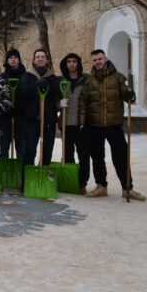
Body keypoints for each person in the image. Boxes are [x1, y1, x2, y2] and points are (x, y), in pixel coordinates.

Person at [80, 49, 145, 200]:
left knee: (121, 156)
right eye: (95, 60)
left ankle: (127, 188)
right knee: (97, 157)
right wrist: (83, 123)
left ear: (105, 59)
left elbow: (128, 95)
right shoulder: (89, 81)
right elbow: (83, 103)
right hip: (94, 125)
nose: (98, 62)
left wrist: (130, 95)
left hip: (113, 124)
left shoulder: (118, 77)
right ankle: (101, 186)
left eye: (100, 59)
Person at [19, 49, 59, 169]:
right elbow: (23, 93)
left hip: (49, 120)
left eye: (43, 57)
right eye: (38, 57)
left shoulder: (53, 78)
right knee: (30, 150)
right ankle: (27, 176)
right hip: (32, 120)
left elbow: (57, 93)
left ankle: (44, 174)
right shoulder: (27, 76)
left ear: (46, 60)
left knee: (47, 150)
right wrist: (36, 85)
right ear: (34, 60)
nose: (40, 59)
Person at [59, 52, 91, 194]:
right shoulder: (61, 81)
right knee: (67, 154)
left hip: (81, 123)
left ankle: (82, 183)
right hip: (66, 123)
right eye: (69, 62)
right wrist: (59, 103)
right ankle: (70, 181)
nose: (71, 64)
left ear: (78, 64)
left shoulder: (86, 80)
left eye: (74, 61)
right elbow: (54, 100)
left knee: (83, 155)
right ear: (65, 64)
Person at [0, 48, 26, 159]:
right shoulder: (2, 77)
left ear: (19, 60)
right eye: (11, 58)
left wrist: (20, 107)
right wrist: (6, 107)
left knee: (21, 146)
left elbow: (28, 95)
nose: (13, 60)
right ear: (7, 60)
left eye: (15, 57)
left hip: (21, 116)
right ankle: (4, 164)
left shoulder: (25, 76)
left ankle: (21, 167)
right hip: (5, 116)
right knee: (4, 145)